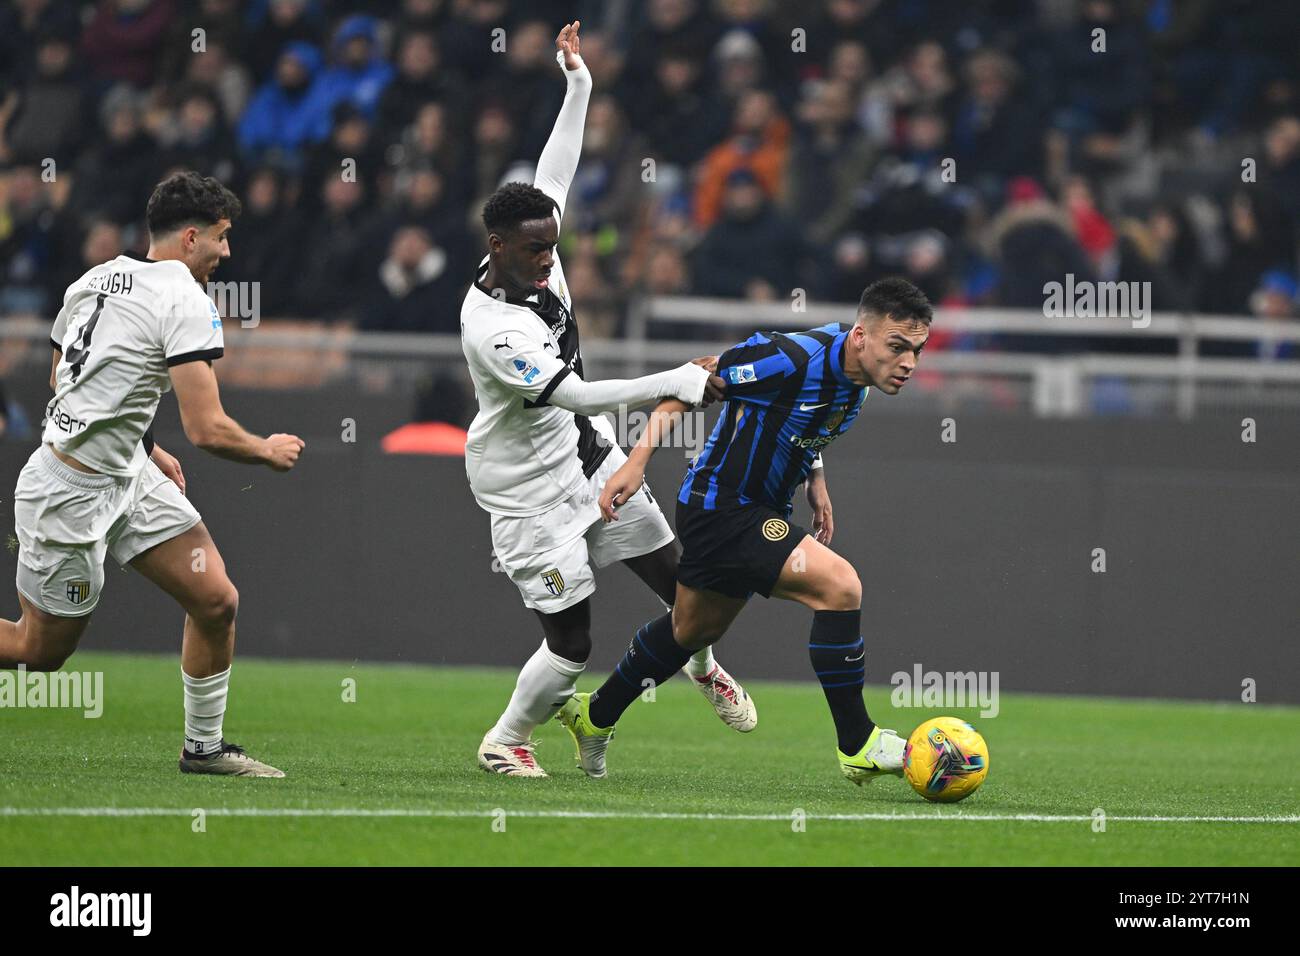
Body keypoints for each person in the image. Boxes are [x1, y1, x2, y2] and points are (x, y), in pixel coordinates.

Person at [460, 22, 756, 779]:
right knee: (571, 644)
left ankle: (699, 667)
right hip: (525, 492)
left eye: (551, 246)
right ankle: (506, 740)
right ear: (495, 246)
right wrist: (672, 380)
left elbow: (555, 167)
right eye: (532, 251)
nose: (546, 260)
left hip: (587, 458)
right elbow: (580, 392)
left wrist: (579, 83)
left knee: (687, 588)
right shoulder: (493, 327)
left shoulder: (535, 237)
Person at [559, 277, 934, 787]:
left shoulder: (859, 380)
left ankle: (595, 714)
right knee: (840, 586)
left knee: (692, 630)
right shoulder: (790, 357)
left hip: (748, 509)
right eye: (898, 346)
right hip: (724, 508)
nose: (909, 362)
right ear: (861, 336)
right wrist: (637, 463)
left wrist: (816, 478)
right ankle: (858, 742)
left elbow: (801, 421)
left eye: (916, 350)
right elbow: (690, 381)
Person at [0, 172, 305, 778]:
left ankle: (204, 748)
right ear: (191, 237)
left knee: (215, 600)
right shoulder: (186, 299)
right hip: (69, 491)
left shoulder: (95, 278)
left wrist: (141, 443)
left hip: (127, 475)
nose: (226, 253)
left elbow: (68, 375)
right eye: (221, 238)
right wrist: (266, 451)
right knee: (39, 654)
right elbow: (209, 430)